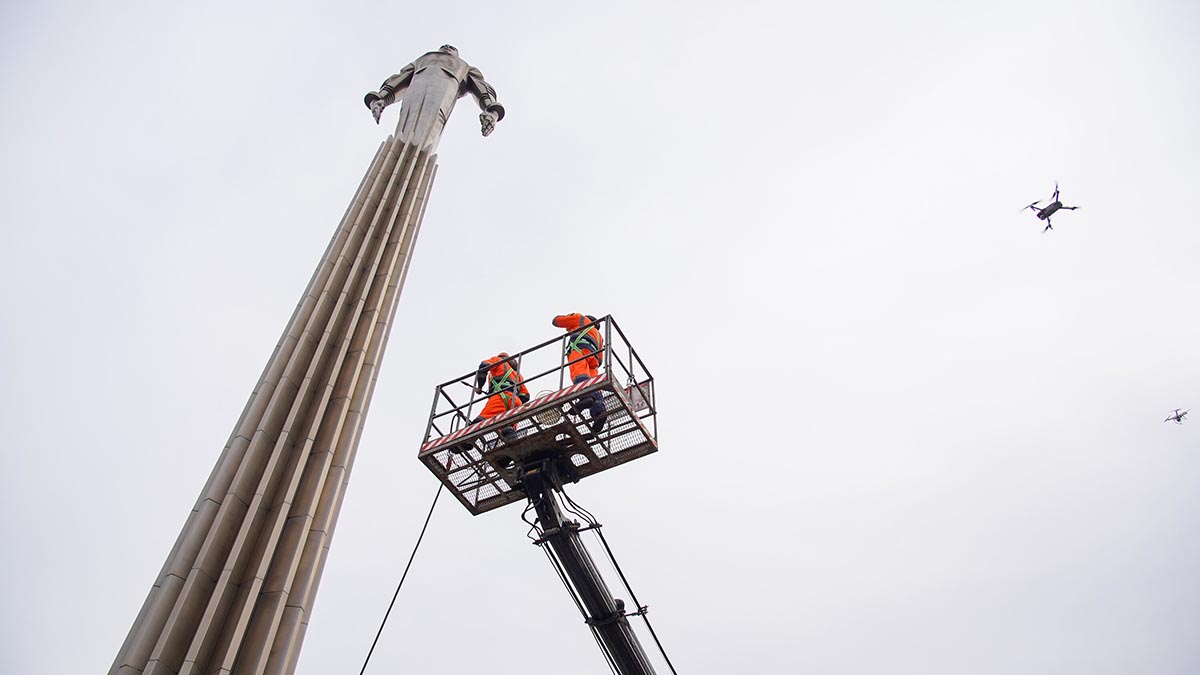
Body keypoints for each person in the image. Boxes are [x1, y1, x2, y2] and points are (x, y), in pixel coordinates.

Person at [552, 313, 607, 432]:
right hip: (594, 360)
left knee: (579, 372)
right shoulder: (599, 336)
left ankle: (585, 397)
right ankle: (599, 410)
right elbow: (600, 359)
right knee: (594, 384)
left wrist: (565, 318)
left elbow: (556, 321)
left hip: (579, 349)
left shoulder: (580, 319)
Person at [473, 352, 529, 436]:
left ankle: (466, 443)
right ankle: (512, 442)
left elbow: (483, 366)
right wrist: (513, 403)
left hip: (499, 399)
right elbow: (525, 396)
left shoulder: (498, 360)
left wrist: (480, 387)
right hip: (515, 401)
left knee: (481, 421)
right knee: (508, 428)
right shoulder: (517, 375)